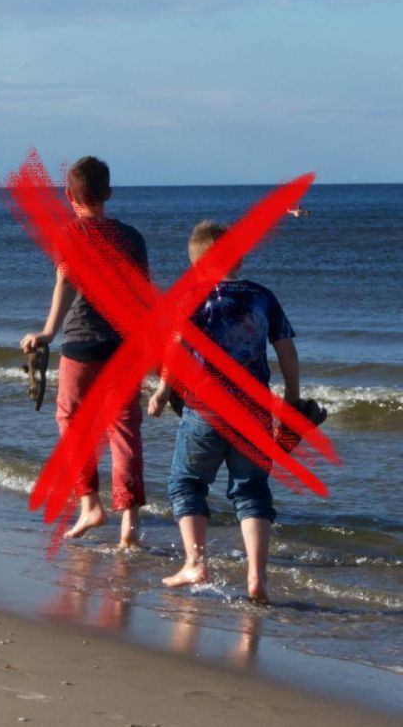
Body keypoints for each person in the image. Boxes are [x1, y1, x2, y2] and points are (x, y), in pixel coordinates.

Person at [148, 220, 299, 604]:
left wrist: (163, 390)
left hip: (205, 411)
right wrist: (293, 401)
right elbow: (285, 350)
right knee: (251, 491)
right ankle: (256, 578)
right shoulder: (264, 297)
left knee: (187, 483)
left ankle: (195, 563)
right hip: (254, 412)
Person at [20, 156, 148, 547]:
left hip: (81, 342)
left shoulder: (70, 234)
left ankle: (90, 503)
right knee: (124, 431)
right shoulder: (132, 237)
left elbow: (66, 284)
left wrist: (46, 332)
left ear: (67, 194)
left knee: (72, 421)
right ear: (108, 193)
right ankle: (129, 524)